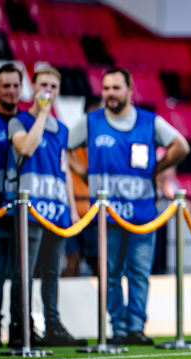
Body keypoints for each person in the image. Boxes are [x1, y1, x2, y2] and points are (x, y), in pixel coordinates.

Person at [68, 66, 190, 345]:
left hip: (143, 214)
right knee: (110, 273)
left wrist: (158, 168)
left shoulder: (150, 122)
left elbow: (181, 146)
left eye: (116, 88)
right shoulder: (90, 122)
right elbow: (63, 147)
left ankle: (136, 327)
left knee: (139, 273)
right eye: (106, 88)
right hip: (107, 216)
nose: (110, 93)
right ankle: (119, 327)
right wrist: (84, 174)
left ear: (129, 90)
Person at [6, 66, 86, 347]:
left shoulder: (63, 130)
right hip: (29, 210)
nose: (48, 91)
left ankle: (53, 324)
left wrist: (73, 210)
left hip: (56, 210)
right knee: (24, 272)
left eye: (53, 86)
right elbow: (27, 147)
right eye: (43, 85)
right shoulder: (19, 121)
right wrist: (41, 114)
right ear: (34, 88)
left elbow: (64, 170)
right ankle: (21, 326)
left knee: (53, 271)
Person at [0, 63, 22, 347]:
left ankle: (18, 328)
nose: (11, 91)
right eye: (5, 86)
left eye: (15, 86)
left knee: (19, 272)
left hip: (23, 212)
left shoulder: (26, 121)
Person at [62, 95, 103, 277]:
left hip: (96, 213)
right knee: (72, 261)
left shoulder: (104, 143)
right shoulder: (72, 140)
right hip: (73, 210)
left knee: (99, 264)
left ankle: (102, 304)